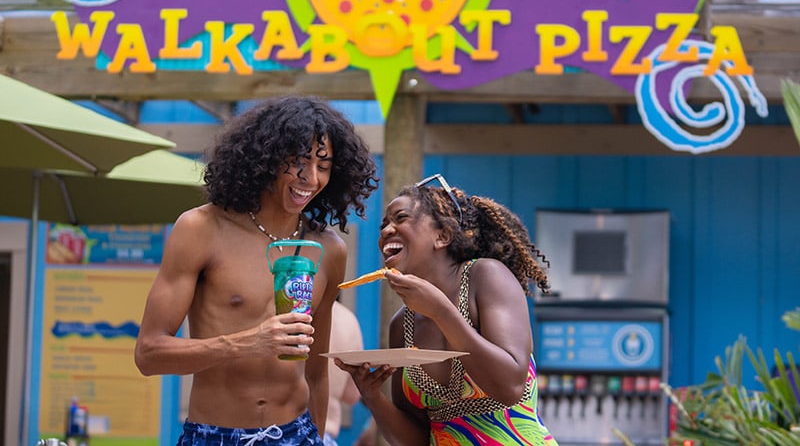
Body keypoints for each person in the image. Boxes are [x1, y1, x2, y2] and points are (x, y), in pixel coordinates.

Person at [134, 95, 379, 445]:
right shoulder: (201, 229)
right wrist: (247, 342)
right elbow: (148, 354)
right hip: (213, 435)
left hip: (297, 434)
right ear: (266, 158)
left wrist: (319, 436)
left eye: (323, 166)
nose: (310, 177)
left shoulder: (328, 250)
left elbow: (316, 372)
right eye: (298, 161)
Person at [334, 173, 559, 445]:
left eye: (400, 218)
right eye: (384, 224)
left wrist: (441, 312)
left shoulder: (486, 276)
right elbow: (418, 439)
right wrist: (372, 396)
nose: (386, 231)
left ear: (442, 236)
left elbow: (510, 386)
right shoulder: (401, 326)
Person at [324, 300, 364, 446]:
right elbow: (352, 395)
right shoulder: (348, 319)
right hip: (324, 436)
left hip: (280, 433)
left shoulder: (283, 309)